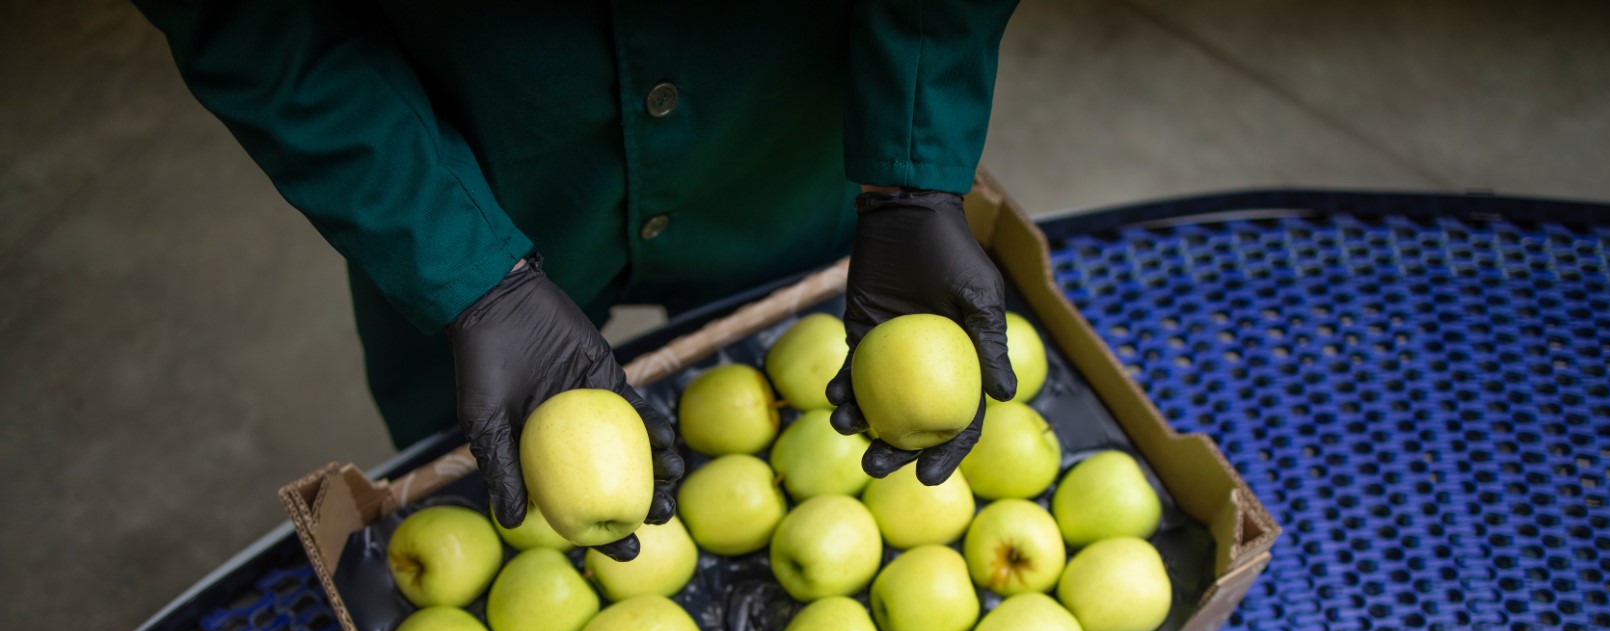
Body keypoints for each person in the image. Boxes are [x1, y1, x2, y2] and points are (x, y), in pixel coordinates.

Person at [135, 1, 1021, 558]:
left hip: (773, 140)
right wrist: (460, 267)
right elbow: (249, 18)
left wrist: (914, 158)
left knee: (787, 343)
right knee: (481, 466)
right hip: (462, 164)